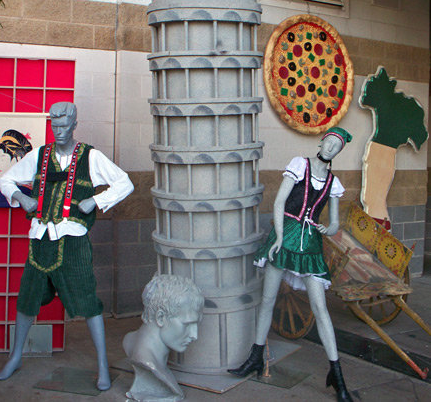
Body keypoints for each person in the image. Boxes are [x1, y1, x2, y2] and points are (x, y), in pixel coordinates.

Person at [0, 102, 134, 391]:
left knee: (88, 303)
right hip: (40, 241)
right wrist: (22, 199)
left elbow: (125, 183)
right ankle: (16, 356)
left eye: (64, 126)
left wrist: (95, 200)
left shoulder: (90, 156)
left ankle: (102, 366)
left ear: (74, 125)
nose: (59, 131)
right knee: (27, 298)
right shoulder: (39, 156)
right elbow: (6, 179)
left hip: (74, 244)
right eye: (54, 126)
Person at [228, 127, 353, 402]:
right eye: (329, 142)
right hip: (284, 239)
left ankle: (337, 376)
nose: (331, 148)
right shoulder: (300, 165)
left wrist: (329, 229)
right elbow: (279, 201)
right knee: (268, 299)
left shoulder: (333, 183)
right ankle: (256, 357)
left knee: (320, 309)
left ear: (339, 152)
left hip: (310, 245)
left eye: (337, 147)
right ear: (322, 142)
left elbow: (334, 223)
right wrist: (280, 236)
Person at [123, 274, 204, 402]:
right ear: (161, 318)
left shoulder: (129, 340)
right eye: (187, 325)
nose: (195, 335)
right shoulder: (145, 360)